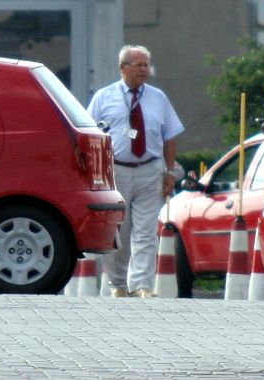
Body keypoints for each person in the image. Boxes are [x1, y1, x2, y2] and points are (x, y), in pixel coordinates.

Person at [87, 45, 185, 298]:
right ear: (123, 68)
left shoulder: (158, 97)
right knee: (119, 230)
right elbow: (90, 136)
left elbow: (170, 136)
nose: (144, 69)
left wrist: (169, 172)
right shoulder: (103, 97)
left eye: (146, 65)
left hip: (150, 169)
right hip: (116, 171)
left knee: (145, 231)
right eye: (138, 64)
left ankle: (141, 284)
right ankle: (118, 284)